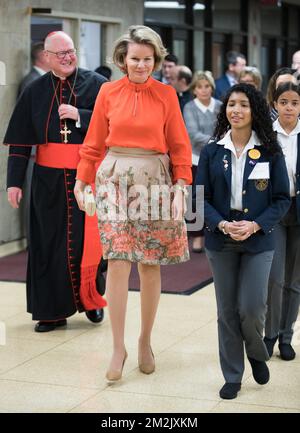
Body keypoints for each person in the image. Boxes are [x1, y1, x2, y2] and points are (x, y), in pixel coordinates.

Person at [74, 25, 192, 383]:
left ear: (156, 60)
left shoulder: (167, 95)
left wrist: (182, 185)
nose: (140, 65)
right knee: (119, 260)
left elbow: (179, 144)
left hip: (154, 179)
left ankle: (144, 341)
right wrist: (82, 179)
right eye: (134, 59)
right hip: (112, 179)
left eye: (147, 59)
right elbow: (93, 142)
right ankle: (117, 346)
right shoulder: (108, 92)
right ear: (122, 59)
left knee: (150, 263)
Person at [3, 31, 107, 332]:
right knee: (47, 245)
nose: (66, 57)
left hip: (88, 177)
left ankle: (91, 300)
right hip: (46, 181)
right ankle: (51, 312)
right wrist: (14, 182)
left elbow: (115, 124)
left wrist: (81, 115)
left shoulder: (98, 85)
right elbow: (21, 142)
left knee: (88, 245)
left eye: (70, 51)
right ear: (46, 57)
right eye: (59, 53)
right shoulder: (34, 91)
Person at [195, 83, 290, 400]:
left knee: (251, 307)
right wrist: (221, 223)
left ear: (255, 111)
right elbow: (198, 199)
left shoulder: (270, 149)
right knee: (227, 312)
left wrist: (255, 225)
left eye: (243, 105)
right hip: (220, 239)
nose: (235, 110)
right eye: (231, 104)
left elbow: (280, 200)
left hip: (258, 238)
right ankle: (233, 375)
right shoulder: (211, 150)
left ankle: (256, 351)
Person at [264, 82, 300, 361]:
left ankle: (287, 336)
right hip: (275, 211)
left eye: (295, 102)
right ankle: (270, 333)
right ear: (275, 104)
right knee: (275, 279)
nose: (289, 107)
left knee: (294, 281)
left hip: (299, 213)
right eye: (284, 102)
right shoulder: (266, 135)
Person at [183, 70, 222, 253]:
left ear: (212, 88)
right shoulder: (190, 107)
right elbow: (193, 134)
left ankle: (214, 233)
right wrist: (217, 140)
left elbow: (227, 128)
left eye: (207, 86)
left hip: (218, 158)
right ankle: (197, 236)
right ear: (194, 90)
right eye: (200, 87)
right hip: (196, 159)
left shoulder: (220, 106)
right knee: (194, 198)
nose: (204, 90)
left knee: (216, 197)